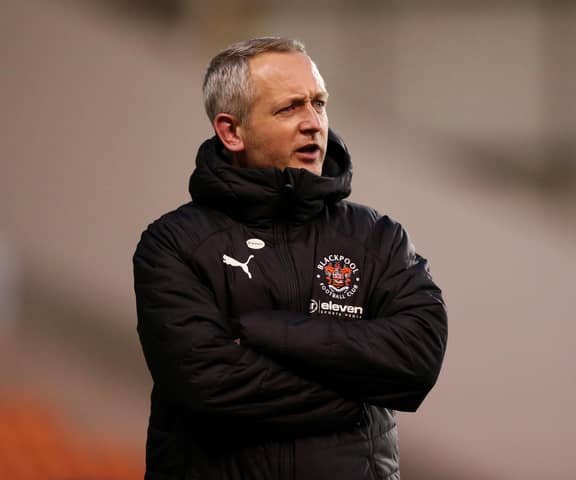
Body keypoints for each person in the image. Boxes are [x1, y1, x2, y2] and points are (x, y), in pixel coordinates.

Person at [133, 37, 447, 480]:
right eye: (289, 108)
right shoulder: (173, 244)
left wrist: (267, 330)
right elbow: (208, 386)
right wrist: (357, 395)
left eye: (318, 104)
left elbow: (417, 357)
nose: (314, 123)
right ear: (231, 131)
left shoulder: (378, 238)